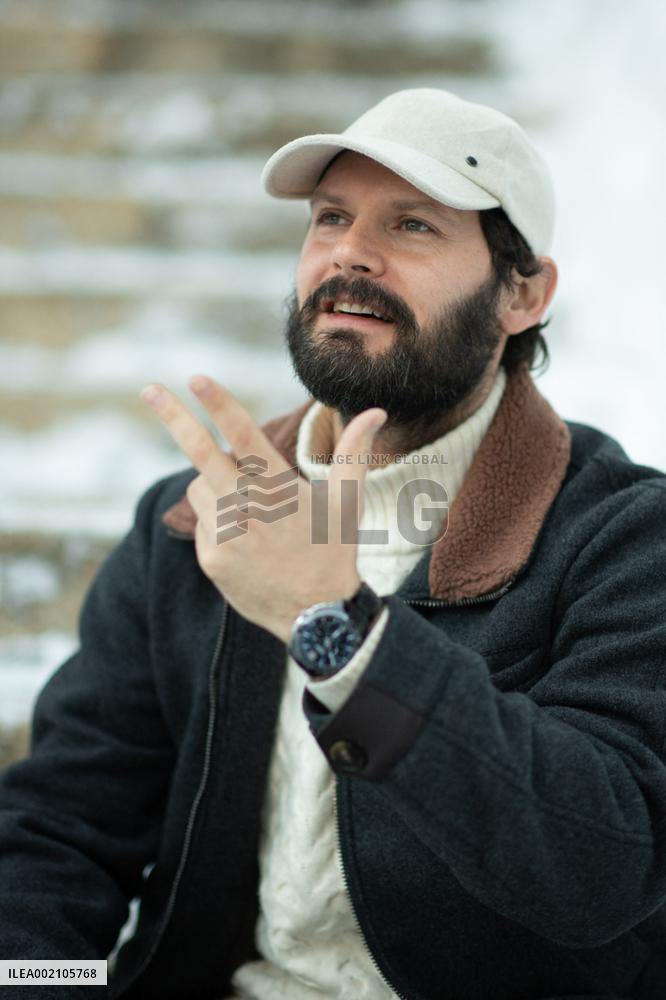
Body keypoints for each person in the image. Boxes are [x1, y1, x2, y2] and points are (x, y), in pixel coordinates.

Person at [1, 88, 665, 1000]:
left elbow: (601, 867)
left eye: (414, 225)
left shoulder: (625, 536)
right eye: (331, 218)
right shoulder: (190, 525)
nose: (351, 251)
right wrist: (38, 984)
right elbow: (61, 833)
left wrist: (342, 634)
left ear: (523, 294)